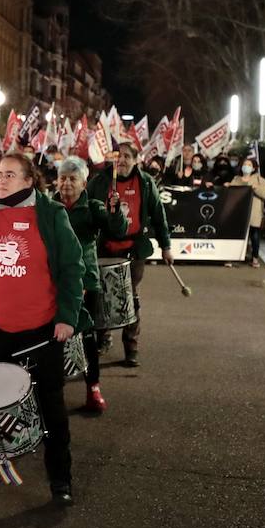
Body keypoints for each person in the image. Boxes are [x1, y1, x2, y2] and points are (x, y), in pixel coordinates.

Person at [0, 152, 83, 505]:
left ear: (30, 181)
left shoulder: (50, 214)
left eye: (11, 175)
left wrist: (67, 316)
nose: (1, 180)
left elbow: (72, 268)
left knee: (50, 407)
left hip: (42, 328)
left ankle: (60, 477)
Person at [53, 157, 127, 413]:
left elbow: (116, 229)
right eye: (63, 177)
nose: (66, 183)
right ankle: (53, 390)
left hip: (86, 281)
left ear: (84, 183)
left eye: (72, 178)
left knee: (86, 337)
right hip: (52, 282)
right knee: (52, 339)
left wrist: (116, 213)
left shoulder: (94, 207)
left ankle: (93, 387)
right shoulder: (47, 205)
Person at [97, 142, 173, 367]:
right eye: (118, 156)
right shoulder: (101, 181)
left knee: (131, 297)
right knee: (104, 297)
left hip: (134, 250)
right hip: (106, 249)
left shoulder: (146, 183)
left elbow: (159, 216)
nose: (121, 160)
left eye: (127, 156)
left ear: (136, 160)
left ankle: (131, 346)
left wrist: (165, 246)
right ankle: (103, 338)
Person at [226, 156, 265, 267]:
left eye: (249, 165)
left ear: (253, 168)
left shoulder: (260, 180)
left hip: (253, 213)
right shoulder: (236, 179)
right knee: (236, 236)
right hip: (238, 213)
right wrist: (228, 186)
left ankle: (254, 258)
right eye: (245, 165)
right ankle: (232, 258)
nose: (246, 167)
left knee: (254, 236)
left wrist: (256, 188)